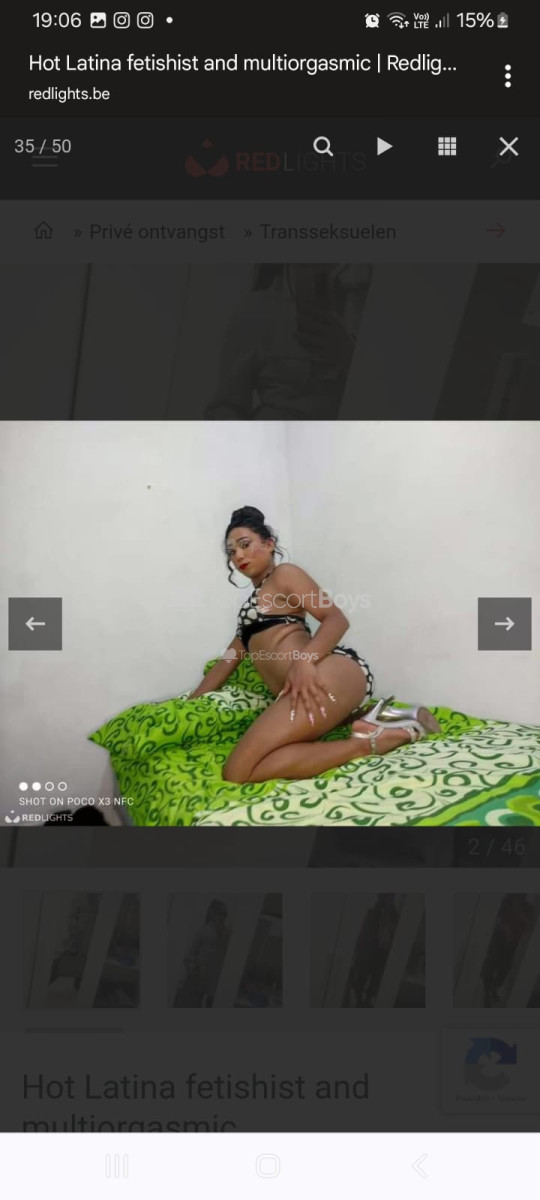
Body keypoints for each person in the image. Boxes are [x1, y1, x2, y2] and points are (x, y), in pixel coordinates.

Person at [187, 506, 440, 785]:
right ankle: (375, 721)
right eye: (231, 551)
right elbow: (226, 662)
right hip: (304, 690)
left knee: (237, 771)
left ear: (269, 544)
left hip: (325, 672)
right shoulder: (248, 614)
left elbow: (336, 619)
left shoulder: (284, 575)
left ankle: (370, 743)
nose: (238, 556)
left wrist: (303, 661)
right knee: (240, 772)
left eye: (245, 545)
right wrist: (186, 705)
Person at [204, 265, 371, 419]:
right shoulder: (257, 311)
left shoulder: (370, 313)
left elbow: (381, 401)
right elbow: (225, 407)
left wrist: (351, 356)